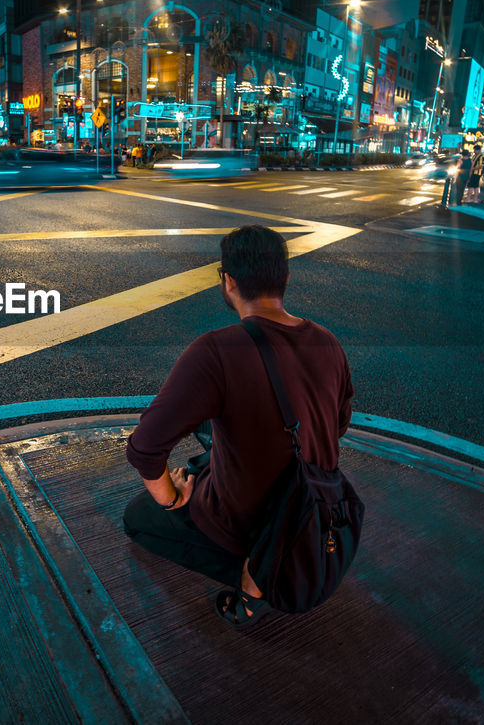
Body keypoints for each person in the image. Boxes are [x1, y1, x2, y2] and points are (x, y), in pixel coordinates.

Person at [123, 225, 354, 625]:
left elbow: (144, 449)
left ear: (228, 281)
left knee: (139, 518)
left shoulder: (218, 350)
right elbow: (338, 426)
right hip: (316, 498)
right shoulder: (328, 341)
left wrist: (174, 500)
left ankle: (260, 568)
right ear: (284, 277)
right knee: (211, 439)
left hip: (252, 519)